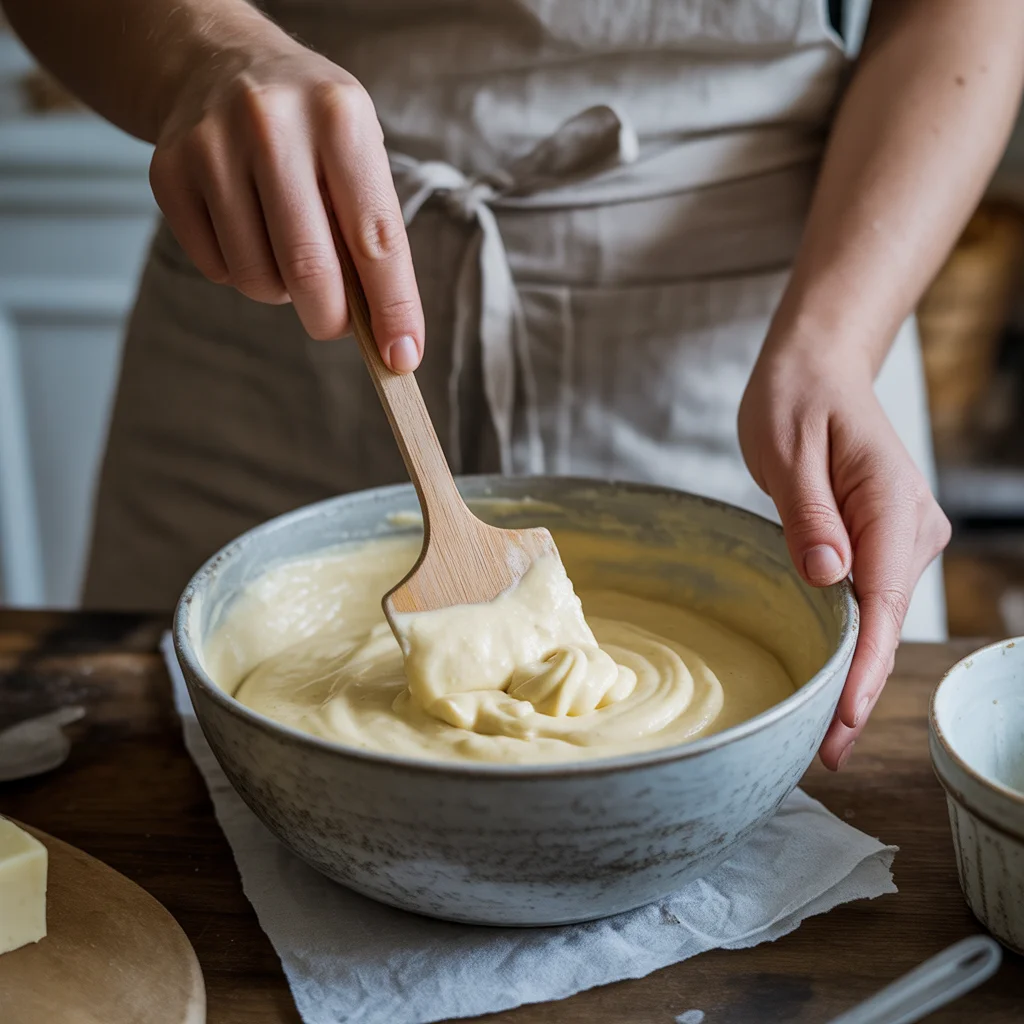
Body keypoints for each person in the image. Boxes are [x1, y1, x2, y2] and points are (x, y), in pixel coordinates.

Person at [7, 0, 1024, 769]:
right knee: (161, 783)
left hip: (772, 315)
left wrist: (833, 343)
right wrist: (202, 53)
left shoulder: (814, 338)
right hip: (276, 270)